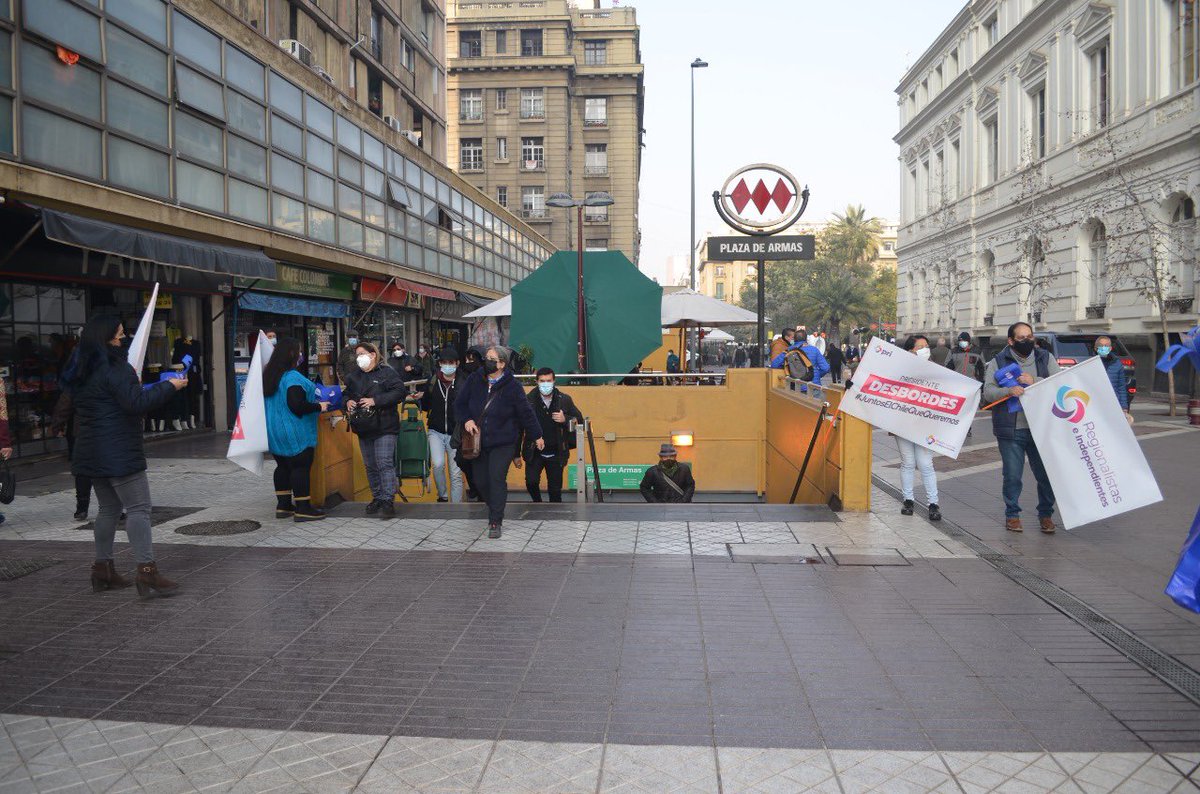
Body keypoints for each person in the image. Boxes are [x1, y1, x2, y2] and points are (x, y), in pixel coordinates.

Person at [67, 315, 188, 596]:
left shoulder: (82, 370)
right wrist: (170, 386)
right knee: (138, 509)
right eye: (120, 335)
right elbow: (136, 403)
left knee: (108, 509)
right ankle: (147, 573)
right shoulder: (117, 368)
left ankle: (103, 570)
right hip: (119, 451)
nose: (124, 339)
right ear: (107, 339)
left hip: (92, 451)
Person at [454, 346, 543, 537]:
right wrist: (467, 419)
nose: (487, 361)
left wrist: (537, 435)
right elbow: (459, 404)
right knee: (480, 482)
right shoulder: (474, 379)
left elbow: (526, 413)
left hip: (503, 442)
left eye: (492, 359)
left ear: (502, 364)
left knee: (496, 478)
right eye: (486, 358)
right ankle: (494, 504)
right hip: (478, 442)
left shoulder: (513, 387)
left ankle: (495, 521)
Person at [983, 322, 1061, 534]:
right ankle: (1013, 515)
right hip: (1011, 429)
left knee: (1046, 475)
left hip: (1042, 429)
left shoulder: (1046, 358)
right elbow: (988, 392)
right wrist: (1007, 391)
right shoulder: (998, 362)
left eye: (1030, 336)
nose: (1027, 341)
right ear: (1010, 341)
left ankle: (1046, 514)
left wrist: (1034, 380)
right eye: (1021, 338)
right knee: (1012, 476)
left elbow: (1059, 384)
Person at [263, 337, 330, 522]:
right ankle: (303, 508)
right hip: (294, 431)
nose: (301, 354)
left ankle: (283, 506)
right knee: (300, 467)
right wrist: (319, 406)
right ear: (292, 354)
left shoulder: (269, 375)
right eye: (299, 351)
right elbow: (297, 404)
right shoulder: (292, 377)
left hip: (274, 430)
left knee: (282, 466)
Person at [342, 341, 406, 518]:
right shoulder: (354, 376)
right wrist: (347, 401)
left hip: (385, 425)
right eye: (357, 354)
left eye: (362, 353)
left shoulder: (387, 373)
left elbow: (400, 392)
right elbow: (346, 393)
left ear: (373, 355)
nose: (359, 357)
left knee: (384, 462)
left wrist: (375, 400)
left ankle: (387, 500)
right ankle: (377, 497)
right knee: (370, 465)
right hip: (363, 426)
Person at [516, 368, 584, 503]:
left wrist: (566, 419)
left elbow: (579, 419)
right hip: (534, 451)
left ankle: (555, 519)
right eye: (542, 381)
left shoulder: (564, 400)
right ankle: (538, 503)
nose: (545, 384)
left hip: (556, 452)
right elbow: (519, 428)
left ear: (554, 381)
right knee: (531, 482)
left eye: (548, 381)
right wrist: (516, 454)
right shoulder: (528, 400)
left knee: (555, 490)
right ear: (537, 382)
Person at [895, 336, 942, 521]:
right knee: (907, 462)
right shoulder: (899, 369)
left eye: (926, 346)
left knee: (925, 464)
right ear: (910, 350)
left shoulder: (936, 370)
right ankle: (908, 500)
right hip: (903, 423)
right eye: (919, 347)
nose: (924, 349)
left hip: (926, 424)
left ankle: (933, 503)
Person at [418, 347, 464, 503]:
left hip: (456, 434)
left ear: (457, 363)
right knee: (437, 465)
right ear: (440, 364)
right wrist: (418, 398)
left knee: (456, 473)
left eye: (451, 362)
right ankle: (443, 496)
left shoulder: (463, 382)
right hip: (435, 431)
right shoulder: (433, 381)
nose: (447, 366)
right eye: (444, 363)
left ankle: (456, 507)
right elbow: (425, 405)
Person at [51, 359, 92, 521]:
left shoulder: (76, 380)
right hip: (102, 430)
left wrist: (57, 425)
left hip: (82, 431)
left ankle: (82, 508)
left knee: (82, 471)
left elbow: (64, 405)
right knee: (106, 469)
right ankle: (112, 507)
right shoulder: (108, 374)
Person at [1095, 336, 1132, 423]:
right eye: (1101, 345)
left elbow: (1121, 387)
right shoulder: (1091, 364)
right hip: (1097, 404)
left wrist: (1124, 407)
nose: (1104, 348)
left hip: (1114, 403)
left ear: (1110, 348)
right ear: (1096, 348)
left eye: (1106, 345)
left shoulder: (1117, 364)